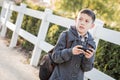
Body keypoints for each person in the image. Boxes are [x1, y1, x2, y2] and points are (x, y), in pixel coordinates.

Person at [49, 8, 96, 80]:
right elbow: (55, 57)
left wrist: (88, 58)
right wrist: (70, 52)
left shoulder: (91, 44)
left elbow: (87, 68)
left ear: (92, 26)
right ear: (76, 20)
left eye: (87, 21)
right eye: (80, 19)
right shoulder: (66, 35)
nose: (82, 23)